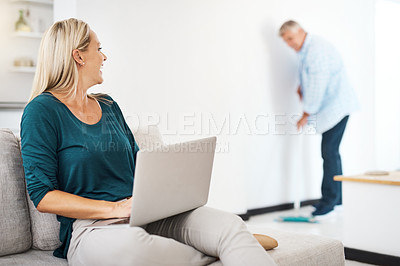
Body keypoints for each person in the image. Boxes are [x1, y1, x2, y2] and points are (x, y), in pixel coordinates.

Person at [20, 18, 276, 266]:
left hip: (147, 215)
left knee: (229, 225)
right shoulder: (41, 111)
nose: (104, 57)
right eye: (98, 49)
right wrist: (114, 209)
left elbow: (140, 165)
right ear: (79, 56)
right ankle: (228, 249)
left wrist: (163, 195)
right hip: (94, 228)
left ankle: (230, 243)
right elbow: (43, 196)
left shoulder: (108, 106)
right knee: (137, 250)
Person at [279, 20, 359, 216]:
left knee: (329, 152)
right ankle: (337, 198)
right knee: (332, 152)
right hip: (334, 107)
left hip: (336, 107)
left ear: (300, 32)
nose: (289, 44)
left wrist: (305, 113)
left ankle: (328, 202)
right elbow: (311, 77)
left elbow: (318, 84)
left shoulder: (316, 51)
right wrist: (301, 86)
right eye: (285, 41)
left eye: (290, 39)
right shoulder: (308, 50)